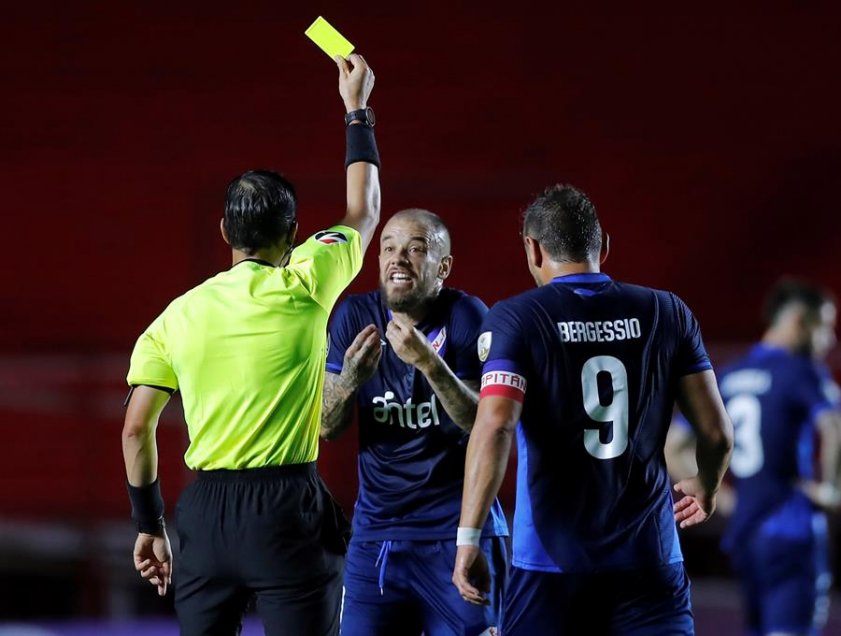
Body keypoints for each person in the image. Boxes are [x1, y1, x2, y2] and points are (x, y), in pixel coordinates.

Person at [121, 53, 380, 636]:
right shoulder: (308, 280)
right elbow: (363, 212)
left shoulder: (176, 316)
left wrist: (149, 523)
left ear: (224, 234)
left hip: (204, 516)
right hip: (286, 513)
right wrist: (356, 110)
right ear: (293, 235)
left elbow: (136, 428)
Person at [452, 184, 734, 635]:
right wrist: (707, 484)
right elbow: (717, 433)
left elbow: (496, 427)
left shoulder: (516, 318)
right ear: (603, 245)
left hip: (549, 563)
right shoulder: (666, 311)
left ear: (533, 248)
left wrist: (469, 537)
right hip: (649, 559)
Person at [321, 208, 509, 635]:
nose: (397, 259)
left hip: (457, 534)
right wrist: (350, 379)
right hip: (378, 537)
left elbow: (481, 422)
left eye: (415, 249)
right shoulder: (354, 317)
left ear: (443, 267)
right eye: (388, 248)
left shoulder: (467, 315)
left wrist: (430, 363)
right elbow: (325, 428)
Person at [718, 279, 841, 636]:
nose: (829, 340)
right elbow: (834, 422)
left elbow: (674, 443)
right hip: (791, 528)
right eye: (825, 326)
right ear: (800, 322)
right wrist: (833, 489)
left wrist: (722, 497)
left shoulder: (729, 375)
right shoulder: (801, 371)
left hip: (745, 532)